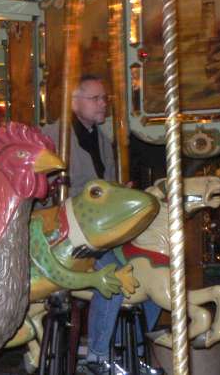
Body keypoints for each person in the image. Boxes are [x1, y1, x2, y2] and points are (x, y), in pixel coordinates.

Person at [43, 75, 161, 375]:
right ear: (74, 102)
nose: (102, 104)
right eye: (95, 98)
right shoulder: (54, 137)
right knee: (114, 275)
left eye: (104, 99)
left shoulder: (102, 140)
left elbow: (107, 186)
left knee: (154, 270)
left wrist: (120, 191)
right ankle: (97, 354)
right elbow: (44, 188)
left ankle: (134, 348)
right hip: (69, 234)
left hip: (100, 232)